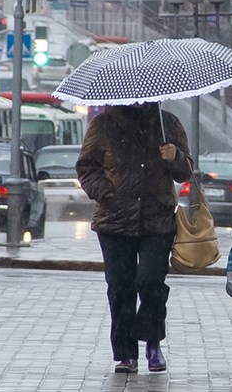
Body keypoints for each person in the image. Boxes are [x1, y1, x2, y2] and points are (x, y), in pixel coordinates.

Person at [76, 103, 191, 373]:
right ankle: (126, 353)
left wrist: (175, 157)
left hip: (157, 220)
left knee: (151, 283)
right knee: (120, 287)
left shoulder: (168, 123)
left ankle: (153, 343)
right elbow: (86, 166)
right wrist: (106, 191)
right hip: (114, 221)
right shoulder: (103, 124)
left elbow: (185, 172)